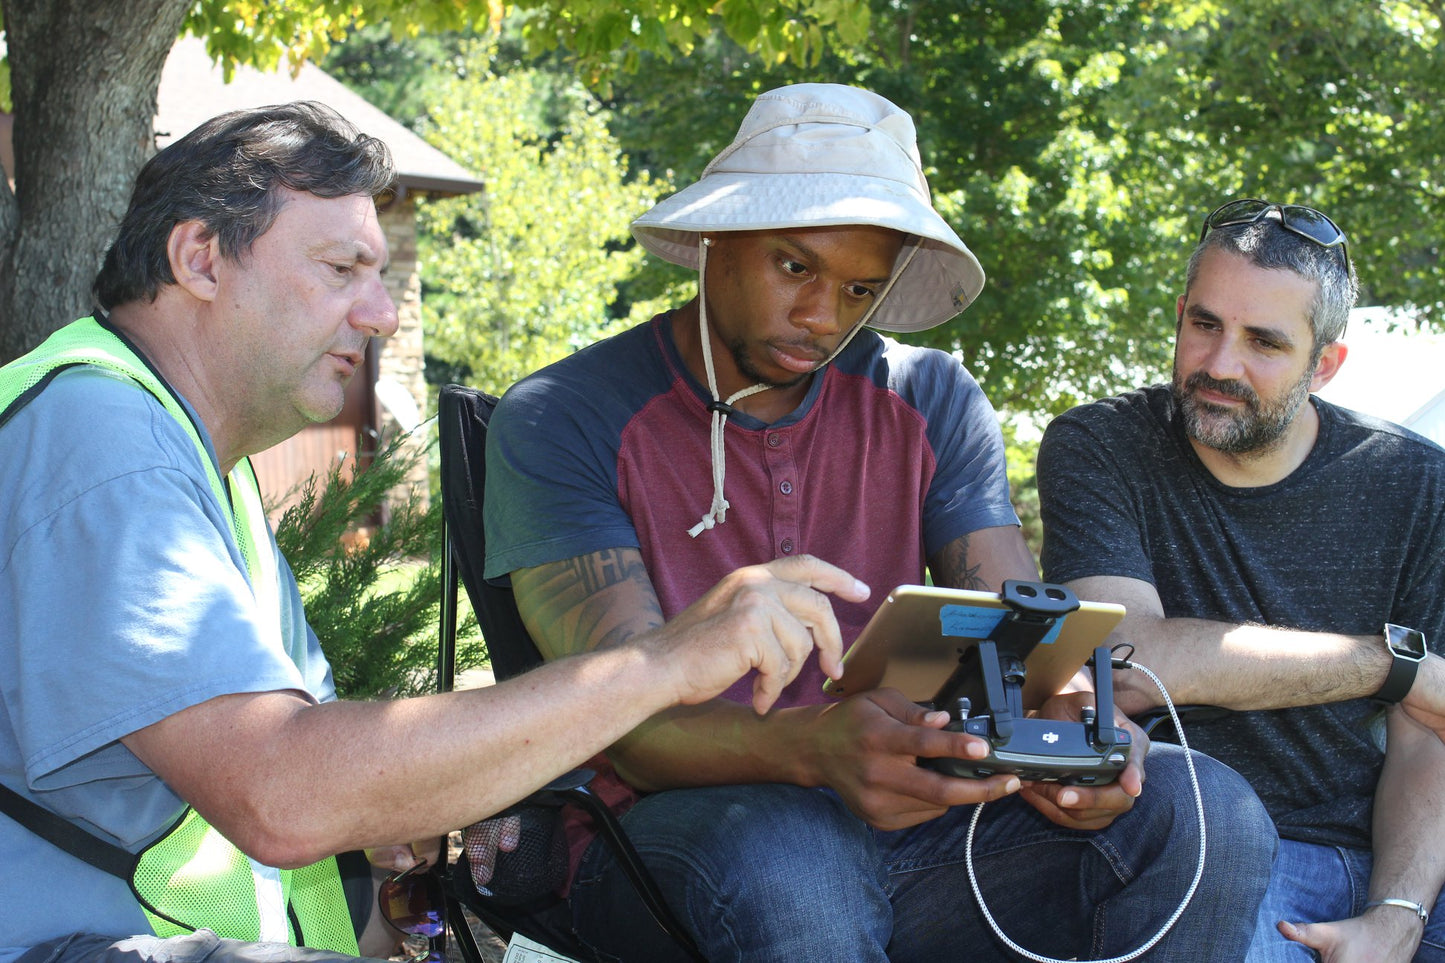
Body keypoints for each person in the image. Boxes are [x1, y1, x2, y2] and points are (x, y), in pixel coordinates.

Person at [0, 101, 863, 963]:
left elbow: (289, 802)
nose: (381, 313)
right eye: (342, 268)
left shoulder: (195, 460)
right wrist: (662, 661)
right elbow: (282, 792)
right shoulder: (104, 437)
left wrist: (399, 830)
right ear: (199, 259)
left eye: (378, 276)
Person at [484, 82, 1275, 963]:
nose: (822, 316)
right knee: (792, 855)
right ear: (717, 238)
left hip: (905, 812)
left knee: (1205, 808)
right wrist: (813, 748)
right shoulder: (564, 414)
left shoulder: (926, 396)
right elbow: (621, 728)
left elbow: (1021, 633)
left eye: (859, 287)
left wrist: (1067, 727)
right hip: (658, 836)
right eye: (795, 267)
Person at [1036, 198, 1445, 961]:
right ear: (1179, 314)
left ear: (1324, 365)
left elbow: (1427, 735)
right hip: (1202, 841)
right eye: (1204, 324)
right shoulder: (1101, 444)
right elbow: (1124, 661)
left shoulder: (1416, 484)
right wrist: (1385, 665)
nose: (1220, 364)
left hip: (1392, 858)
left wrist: (1395, 916)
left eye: (1263, 341)